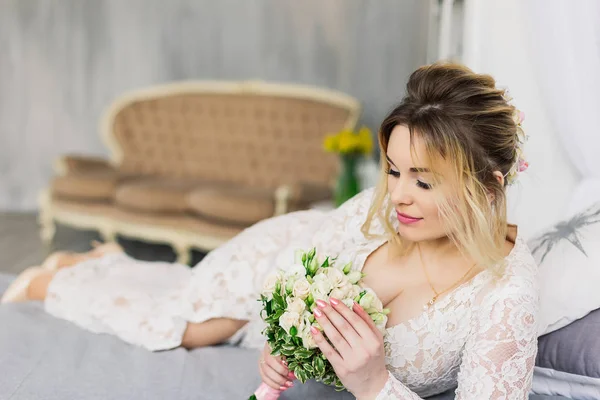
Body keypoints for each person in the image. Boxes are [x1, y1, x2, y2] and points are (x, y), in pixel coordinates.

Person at [2, 62, 538, 399]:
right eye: (394, 171)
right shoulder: (376, 215)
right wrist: (281, 336)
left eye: (424, 182)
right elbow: (300, 271)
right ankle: (63, 275)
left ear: (488, 186)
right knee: (181, 327)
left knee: (182, 310)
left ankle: (107, 263)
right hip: (278, 254)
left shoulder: (504, 294)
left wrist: (375, 386)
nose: (397, 195)